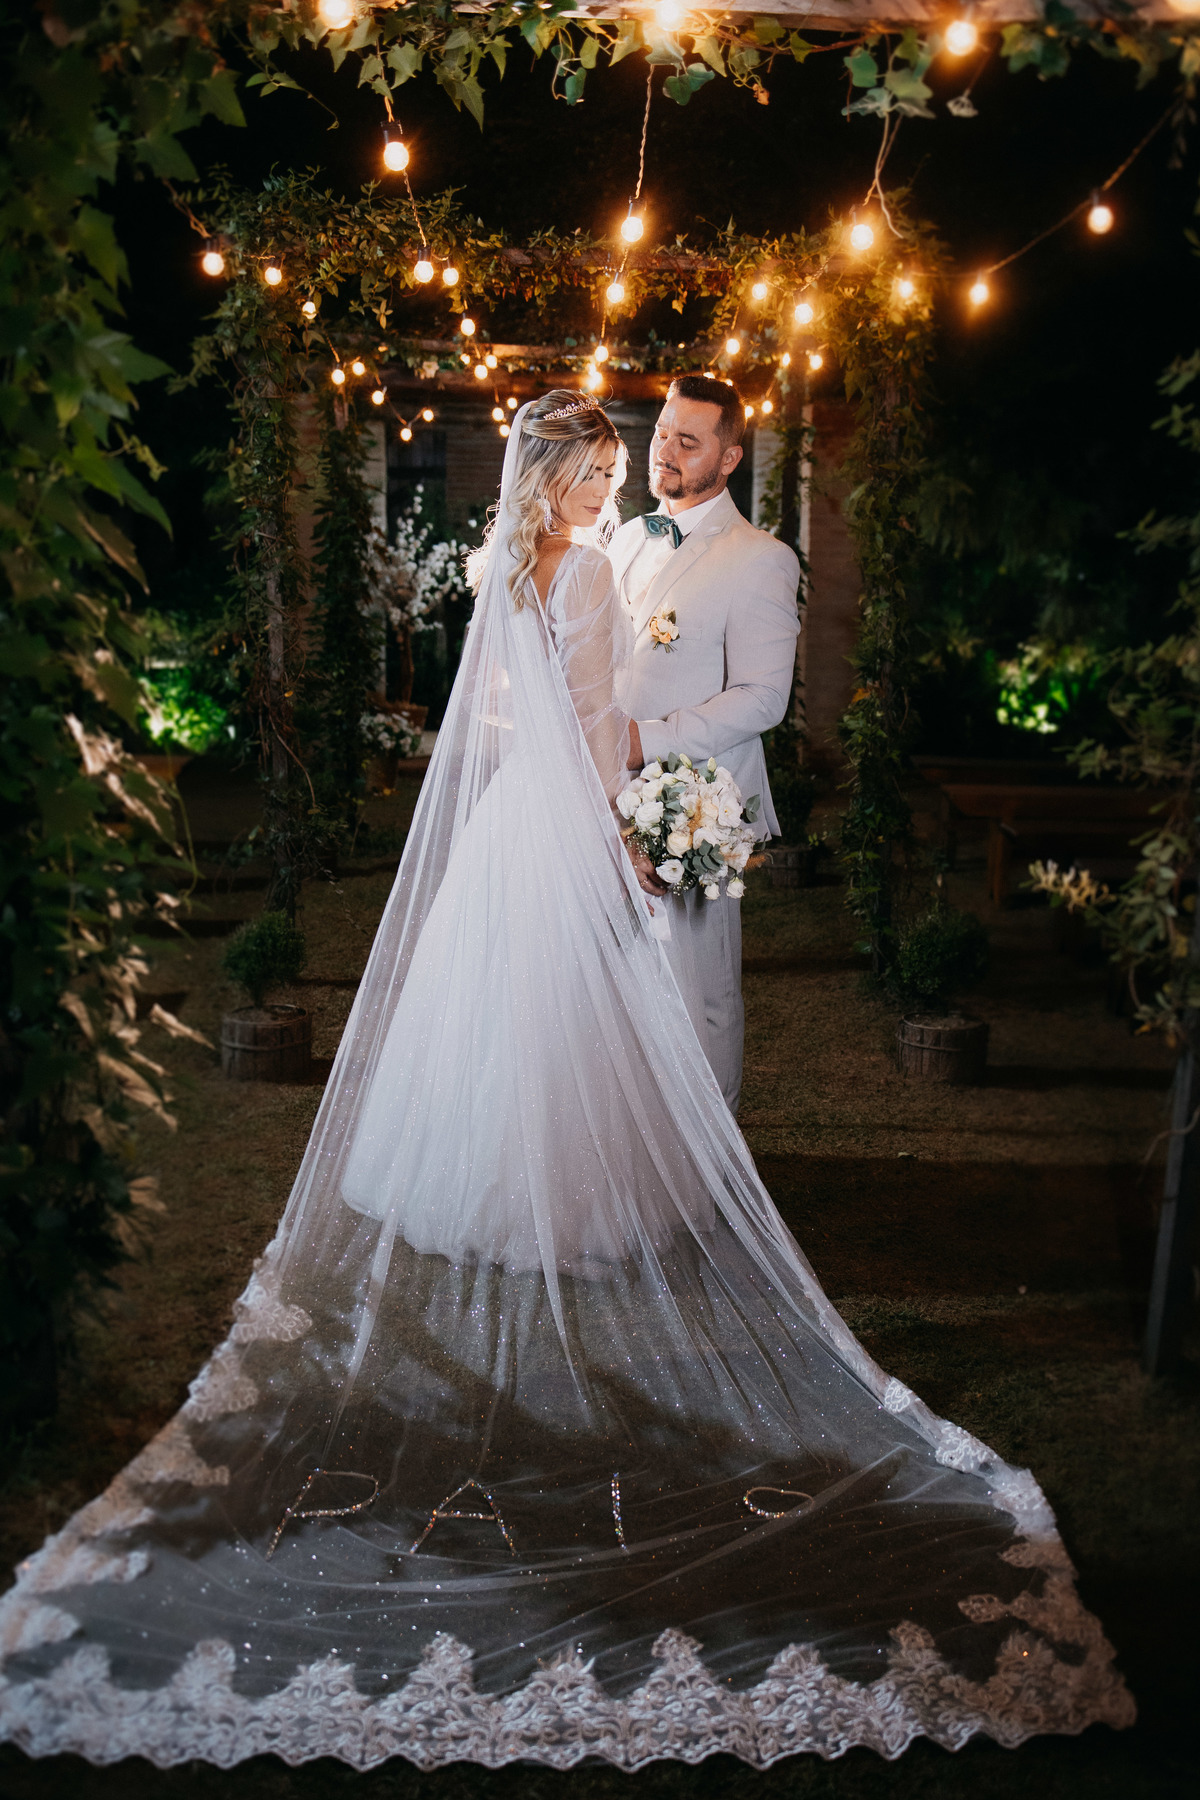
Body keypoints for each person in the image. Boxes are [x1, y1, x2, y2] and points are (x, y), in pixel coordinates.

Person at [0, 393, 1132, 1774]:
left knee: (501, 1017)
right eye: (594, 468)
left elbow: (503, 717)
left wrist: (575, 801)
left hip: (502, 825)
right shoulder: (591, 568)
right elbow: (601, 722)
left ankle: (482, 1189)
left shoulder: (509, 567)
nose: (611, 484)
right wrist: (619, 838)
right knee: (577, 1018)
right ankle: (573, 1201)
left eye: (616, 465)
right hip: (573, 816)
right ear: (554, 475)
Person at [610, 375, 800, 1111]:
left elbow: (763, 697)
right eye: (662, 433)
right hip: (607, 794)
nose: (665, 451)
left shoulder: (760, 558)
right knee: (616, 981)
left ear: (728, 458)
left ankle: (709, 1154)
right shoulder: (627, 538)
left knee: (700, 990)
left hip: (694, 801)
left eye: (688, 442)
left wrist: (645, 742)